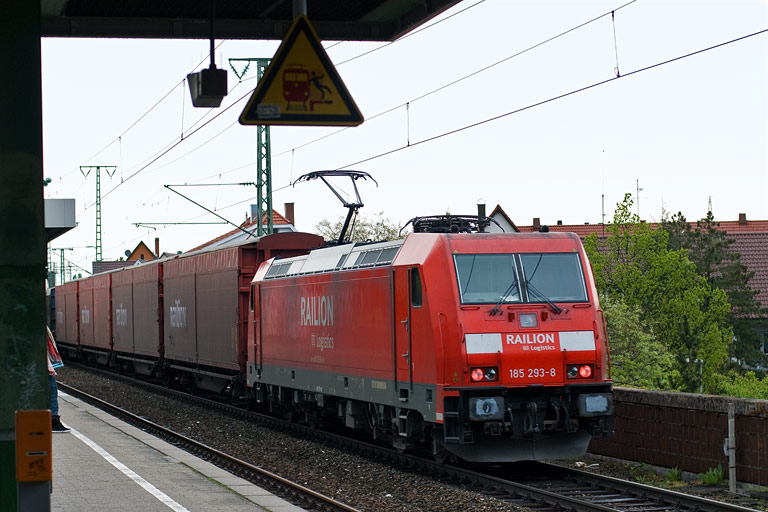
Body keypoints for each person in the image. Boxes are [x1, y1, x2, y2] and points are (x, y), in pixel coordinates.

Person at [47, 326, 69, 432]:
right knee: (52, 391)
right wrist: (48, 365)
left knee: (51, 390)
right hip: (44, 365)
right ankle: (53, 421)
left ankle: (52, 419)